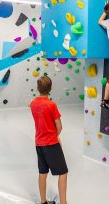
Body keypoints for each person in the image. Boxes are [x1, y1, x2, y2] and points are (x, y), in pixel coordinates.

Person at [30, 76, 68, 204]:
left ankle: (43, 201)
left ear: (38, 88)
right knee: (63, 172)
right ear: (50, 88)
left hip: (38, 143)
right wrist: (56, 137)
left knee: (42, 172)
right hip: (51, 144)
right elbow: (59, 126)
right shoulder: (51, 105)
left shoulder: (33, 103)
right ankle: (63, 202)